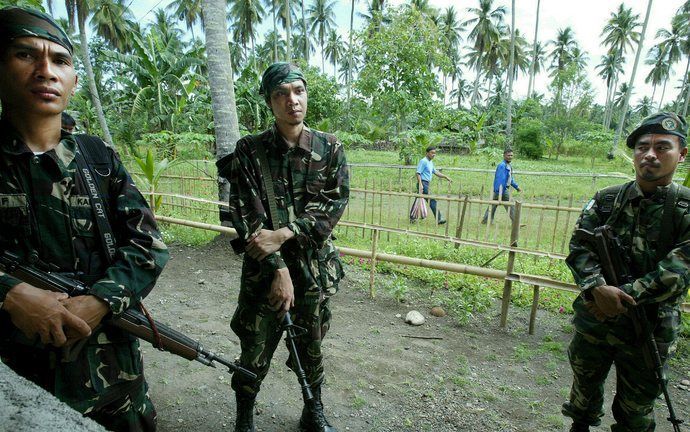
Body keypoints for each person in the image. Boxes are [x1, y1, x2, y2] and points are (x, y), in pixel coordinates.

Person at [0, 7, 169, 431]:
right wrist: (11, 294)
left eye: (60, 60)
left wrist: (101, 301)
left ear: (74, 80)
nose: (46, 71)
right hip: (15, 381)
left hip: (114, 375)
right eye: (25, 55)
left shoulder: (97, 158)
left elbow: (148, 243)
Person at [220, 62, 349, 432]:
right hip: (265, 269)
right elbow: (245, 214)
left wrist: (287, 231)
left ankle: (314, 410)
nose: (292, 100)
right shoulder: (250, 150)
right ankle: (244, 414)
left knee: (311, 345)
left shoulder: (330, 148)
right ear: (269, 101)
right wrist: (278, 267)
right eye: (281, 94)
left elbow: (333, 206)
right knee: (255, 346)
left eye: (298, 91)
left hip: (312, 269)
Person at [562, 112, 690, 432]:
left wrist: (618, 297)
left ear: (682, 154)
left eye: (662, 147)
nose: (650, 154)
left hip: (649, 327)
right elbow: (579, 248)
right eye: (642, 147)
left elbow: (678, 270)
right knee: (582, 396)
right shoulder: (606, 199)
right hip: (596, 321)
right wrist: (596, 288)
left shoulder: (684, 209)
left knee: (636, 411)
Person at [482, 148, 521, 224]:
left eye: (511, 155)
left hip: (500, 190)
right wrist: (500, 190)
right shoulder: (502, 166)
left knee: (493, 205)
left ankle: (486, 220)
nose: (510, 157)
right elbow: (500, 179)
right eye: (508, 155)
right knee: (511, 205)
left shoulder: (508, 165)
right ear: (504, 155)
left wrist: (516, 186)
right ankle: (516, 223)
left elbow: (509, 179)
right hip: (501, 190)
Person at [414, 146, 452, 224]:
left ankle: (412, 217)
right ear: (427, 153)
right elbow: (418, 173)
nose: (433, 154)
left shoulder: (430, 162)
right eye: (432, 153)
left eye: (434, 153)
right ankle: (439, 218)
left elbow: (435, 172)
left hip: (426, 183)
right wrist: (421, 184)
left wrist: (445, 177)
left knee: (418, 200)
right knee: (432, 201)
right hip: (423, 183)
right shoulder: (423, 161)